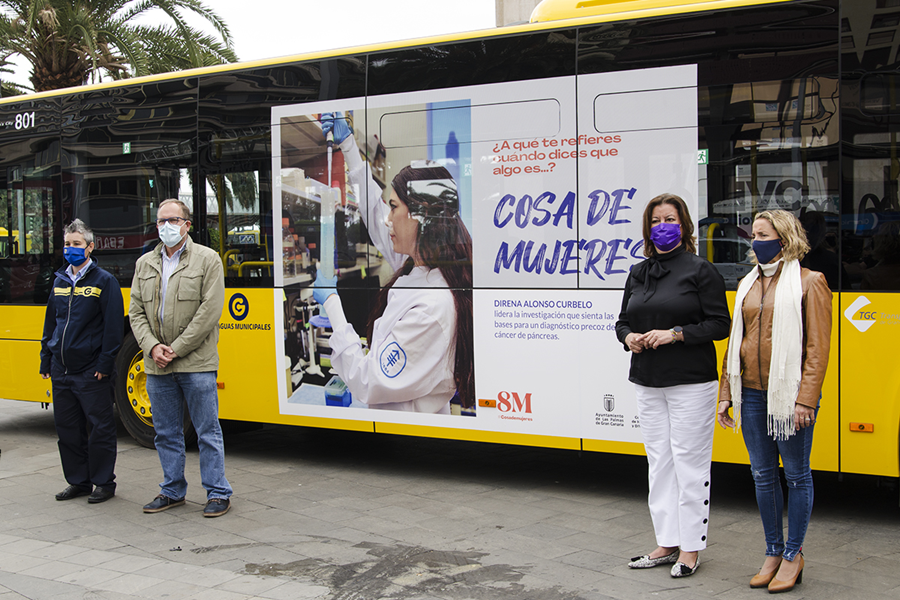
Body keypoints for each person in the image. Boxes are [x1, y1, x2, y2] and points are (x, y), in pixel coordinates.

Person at [313, 112, 474, 413]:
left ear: (420, 216)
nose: (387, 219)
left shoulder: (432, 308)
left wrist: (332, 305)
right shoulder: (420, 265)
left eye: (395, 208)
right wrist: (348, 145)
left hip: (410, 442)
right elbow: (374, 213)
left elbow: (367, 381)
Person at [615, 193, 730, 578]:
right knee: (659, 463)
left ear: (683, 226)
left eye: (670, 219)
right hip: (647, 380)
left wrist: (676, 334)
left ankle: (691, 549)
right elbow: (622, 322)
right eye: (656, 220)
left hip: (691, 382)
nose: (663, 226)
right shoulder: (638, 271)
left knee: (690, 464)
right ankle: (666, 542)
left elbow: (719, 324)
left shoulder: (701, 270)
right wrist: (629, 337)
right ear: (648, 228)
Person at [717, 209, 832, 593]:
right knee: (762, 476)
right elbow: (737, 343)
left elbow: (817, 350)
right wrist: (726, 393)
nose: (754, 240)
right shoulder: (749, 282)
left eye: (762, 234)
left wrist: (806, 400)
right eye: (753, 234)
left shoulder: (810, 282)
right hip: (750, 392)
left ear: (782, 238)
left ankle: (793, 554)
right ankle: (772, 551)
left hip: (789, 398)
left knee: (797, 476)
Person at [129, 199, 232, 517]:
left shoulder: (208, 260)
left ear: (187, 224)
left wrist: (177, 348)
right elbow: (135, 312)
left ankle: (217, 492)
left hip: (196, 363)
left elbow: (210, 311)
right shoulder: (145, 264)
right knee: (166, 432)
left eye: (172, 220)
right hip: (157, 363)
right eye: (160, 222)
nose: (165, 227)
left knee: (207, 430)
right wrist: (152, 347)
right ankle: (172, 490)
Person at [40, 219, 124, 504]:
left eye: (77, 244)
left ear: (90, 247)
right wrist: (45, 360)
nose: (71, 249)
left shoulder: (104, 281)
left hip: (91, 372)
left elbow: (113, 329)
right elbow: (51, 323)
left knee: (100, 428)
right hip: (61, 370)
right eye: (67, 244)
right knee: (67, 429)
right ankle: (78, 481)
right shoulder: (60, 280)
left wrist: (103, 365)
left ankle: (103, 482)